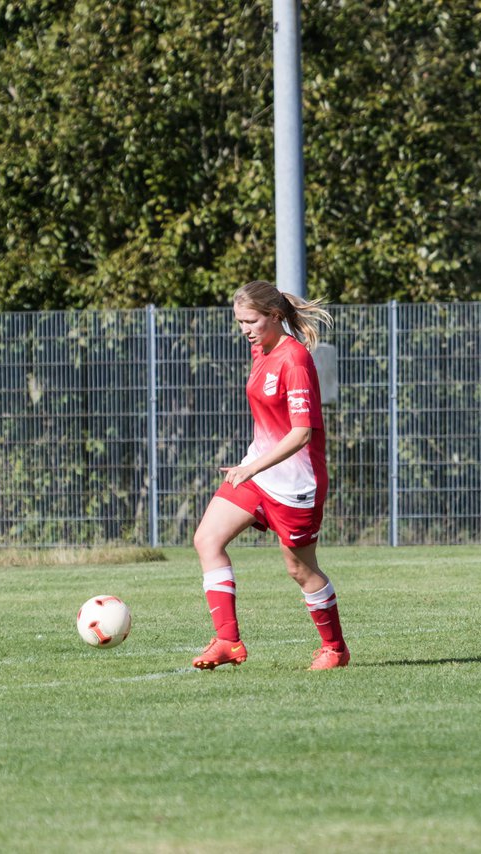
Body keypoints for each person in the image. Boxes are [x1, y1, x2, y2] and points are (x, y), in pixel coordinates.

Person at [191, 280, 349, 671]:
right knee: (207, 539)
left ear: (274, 316)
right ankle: (228, 641)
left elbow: (301, 433)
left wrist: (251, 467)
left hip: (296, 486)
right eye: (240, 321)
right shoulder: (259, 349)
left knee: (300, 569)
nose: (245, 329)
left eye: (251, 320)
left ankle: (335, 649)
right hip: (257, 475)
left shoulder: (294, 360)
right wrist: (252, 467)